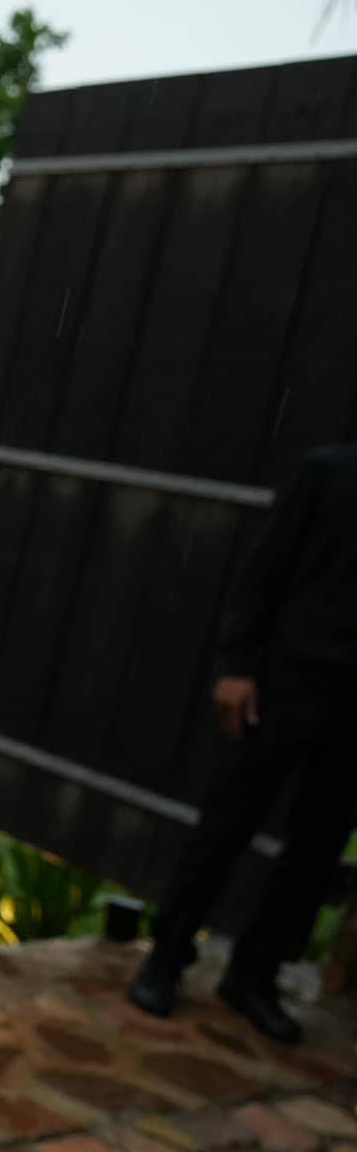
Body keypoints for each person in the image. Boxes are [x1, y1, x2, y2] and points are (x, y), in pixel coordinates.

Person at [128, 443, 357, 1044]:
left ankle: (254, 975)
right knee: (228, 822)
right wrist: (236, 663)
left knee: (316, 850)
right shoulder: (328, 474)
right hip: (288, 678)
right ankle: (167, 957)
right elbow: (266, 569)